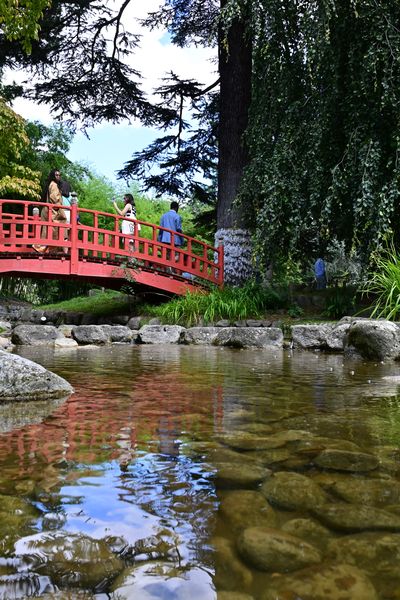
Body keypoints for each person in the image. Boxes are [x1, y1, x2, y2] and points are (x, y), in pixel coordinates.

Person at [33, 169, 67, 254]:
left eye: (59, 175)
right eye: (56, 175)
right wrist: (60, 206)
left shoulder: (50, 184)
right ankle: (44, 248)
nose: (58, 177)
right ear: (53, 176)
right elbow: (55, 199)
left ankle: (43, 248)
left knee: (47, 230)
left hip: (47, 210)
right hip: (52, 211)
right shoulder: (54, 185)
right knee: (56, 229)